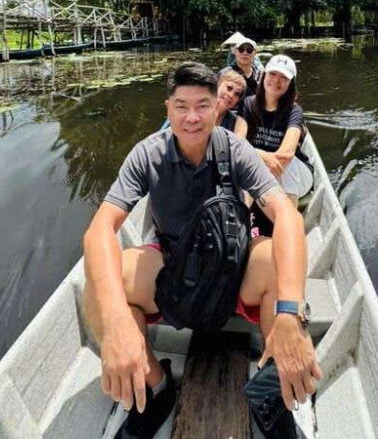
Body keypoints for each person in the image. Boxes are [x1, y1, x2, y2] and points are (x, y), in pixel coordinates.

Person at [83, 62, 321, 439]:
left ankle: (271, 393)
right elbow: (99, 232)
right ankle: (155, 384)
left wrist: (291, 313)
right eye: (182, 106)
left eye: (202, 105)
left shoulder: (237, 150)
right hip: (174, 270)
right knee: (98, 289)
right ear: (168, 108)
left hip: (234, 268)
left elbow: (287, 217)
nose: (192, 117)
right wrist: (114, 323)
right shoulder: (147, 154)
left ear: (216, 108)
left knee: (279, 259)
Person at [234, 54, 313, 212]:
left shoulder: (294, 111)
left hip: (296, 177)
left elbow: (285, 155)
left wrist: (255, 157)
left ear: (290, 83)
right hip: (260, 169)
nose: (276, 80)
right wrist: (262, 156)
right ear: (264, 76)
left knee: (285, 166)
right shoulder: (248, 104)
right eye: (273, 74)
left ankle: (287, 221)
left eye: (283, 77)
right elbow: (237, 143)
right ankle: (242, 216)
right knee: (243, 166)